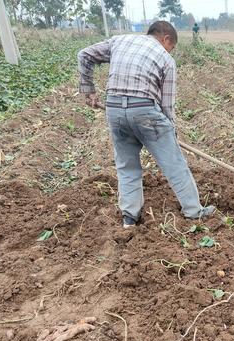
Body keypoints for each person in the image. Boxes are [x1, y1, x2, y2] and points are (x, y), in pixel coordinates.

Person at [77, 21, 215, 229]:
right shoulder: (165, 59)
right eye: (173, 47)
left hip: (114, 108)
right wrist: (171, 131)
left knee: (126, 165)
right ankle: (194, 211)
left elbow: (84, 55)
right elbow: (167, 104)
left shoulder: (119, 41)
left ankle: (129, 217)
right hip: (145, 111)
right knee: (174, 163)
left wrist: (89, 90)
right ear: (166, 38)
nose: (171, 51)